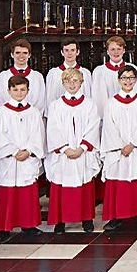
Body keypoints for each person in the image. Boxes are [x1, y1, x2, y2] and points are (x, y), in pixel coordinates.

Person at [44, 68, 101, 234]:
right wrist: (64, 148)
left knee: (84, 185)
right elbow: (53, 128)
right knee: (61, 186)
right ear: (63, 83)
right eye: (68, 81)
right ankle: (60, 221)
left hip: (82, 152)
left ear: (81, 83)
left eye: (75, 81)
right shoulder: (55, 106)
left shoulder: (89, 104)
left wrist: (83, 147)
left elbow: (93, 126)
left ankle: (86, 219)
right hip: (64, 154)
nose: (72, 84)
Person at [0, 75, 45, 242]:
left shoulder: (33, 112)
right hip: (7, 159)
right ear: (8, 91)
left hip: (26, 159)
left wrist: (29, 151)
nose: (19, 93)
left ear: (28, 91)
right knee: (6, 193)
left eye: (22, 89)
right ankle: (3, 227)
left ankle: (28, 225)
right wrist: (14, 151)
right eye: (15, 89)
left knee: (26, 192)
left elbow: (38, 134)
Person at [100, 65, 137, 231]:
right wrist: (120, 145)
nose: (128, 81)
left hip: (136, 148)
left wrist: (132, 144)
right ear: (118, 80)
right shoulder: (111, 102)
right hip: (117, 150)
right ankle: (115, 217)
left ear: (136, 80)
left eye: (131, 78)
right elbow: (109, 126)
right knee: (117, 181)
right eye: (124, 78)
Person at [0, 39, 47, 113]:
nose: (21, 56)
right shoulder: (2, 76)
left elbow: (41, 101)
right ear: (12, 54)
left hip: (31, 118)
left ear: (29, 55)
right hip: (8, 118)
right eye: (18, 52)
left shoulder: (38, 77)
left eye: (25, 53)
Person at [93, 36, 136, 117]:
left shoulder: (132, 69)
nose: (116, 52)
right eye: (112, 49)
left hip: (129, 114)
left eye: (119, 49)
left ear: (124, 51)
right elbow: (98, 98)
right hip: (108, 115)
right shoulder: (99, 71)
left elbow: (136, 92)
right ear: (107, 51)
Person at [46, 38, 93, 106]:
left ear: (78, 52)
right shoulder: (53, 73)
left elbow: (89, 96)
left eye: (73, 50)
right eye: (66, 50)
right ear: (62, 52)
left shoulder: (85, 73)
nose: (69, 53)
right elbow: (50, 98)